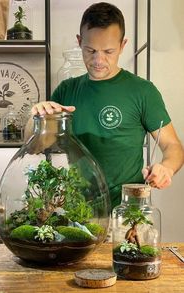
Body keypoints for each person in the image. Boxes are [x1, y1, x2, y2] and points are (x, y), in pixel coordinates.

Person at [27, 2, 184, 210]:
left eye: (108, 51)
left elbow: (173, 147)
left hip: (129, 211)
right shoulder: (66, 90)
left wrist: (166, 168)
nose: (98, 60)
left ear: (122, 45)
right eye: (90, 50)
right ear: (79, 41)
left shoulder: (142, 91)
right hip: (80, 214)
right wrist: (36, 116)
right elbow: (34, 145)